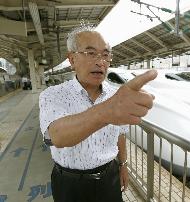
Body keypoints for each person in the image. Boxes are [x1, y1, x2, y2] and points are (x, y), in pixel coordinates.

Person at [39, 25, 157, 202]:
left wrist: (123, 165)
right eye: (91, 53)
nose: (100, 61)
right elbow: (56, 136)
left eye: (105, 54)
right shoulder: (53, 94)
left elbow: (121, 135)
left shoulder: (115, 95)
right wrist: (106, 111)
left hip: (109, 177)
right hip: (69, 183)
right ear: (72, 59)